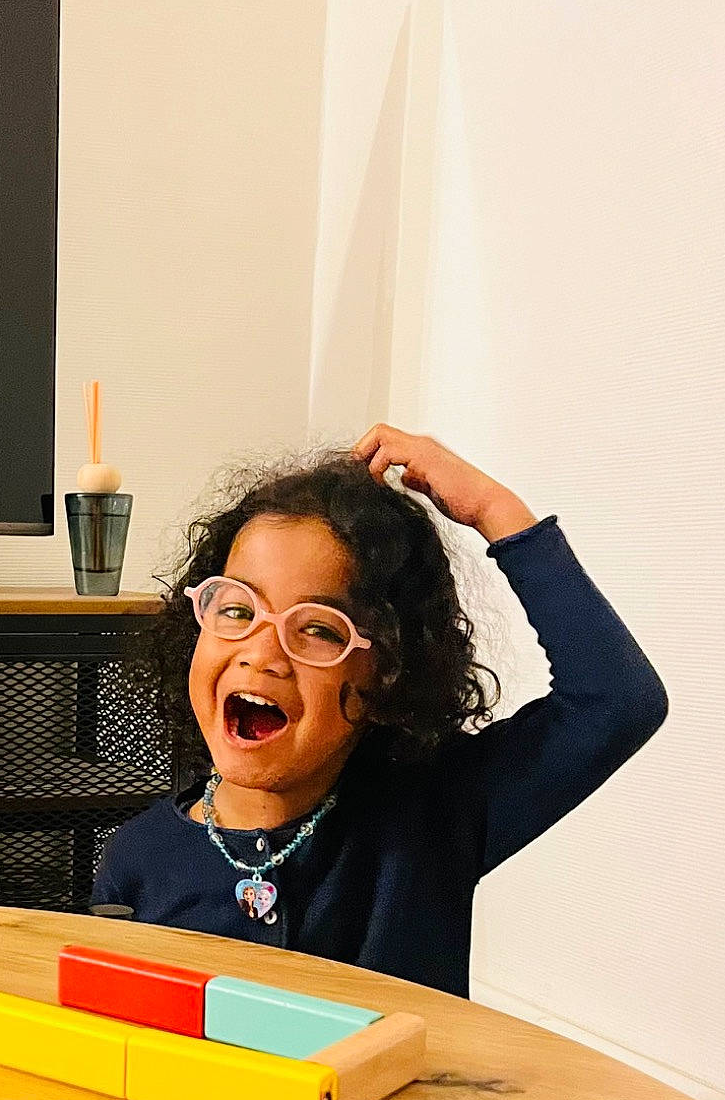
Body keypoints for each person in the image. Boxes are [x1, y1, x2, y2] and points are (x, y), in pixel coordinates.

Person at [91, 426, 668, 997]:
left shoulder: (431, 815)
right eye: (238, 611)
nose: (262, 656)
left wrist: (496, 510)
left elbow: (616, 700)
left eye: (318, 629)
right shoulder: (137, 860)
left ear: (387, 673)